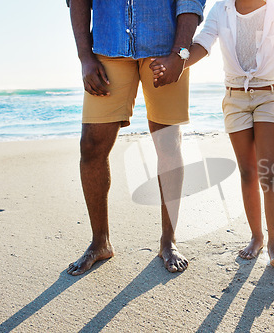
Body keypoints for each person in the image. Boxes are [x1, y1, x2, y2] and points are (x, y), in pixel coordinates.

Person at [152, 0, 274, 267]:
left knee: (269, 172)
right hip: (235, 99)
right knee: (248, 173)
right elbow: (202, 43)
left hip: (269, 95)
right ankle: (257, 237)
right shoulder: (221, 10)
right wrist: (179, 63)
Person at [66, 0, 206, 275]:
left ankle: (169, 241)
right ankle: (99, 242)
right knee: (91, 146)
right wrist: (85, 57)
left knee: (168, 143)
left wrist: (180, 54)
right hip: (108, 47)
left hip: (165, 48)